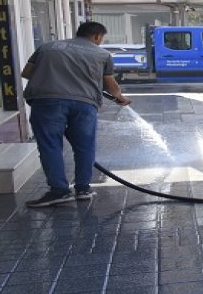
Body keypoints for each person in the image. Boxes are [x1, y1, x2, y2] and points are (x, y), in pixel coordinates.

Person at [22, 21, 132, 208]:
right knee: (84, 146)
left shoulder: (47, 47)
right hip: (85, 104)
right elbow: (111, 85)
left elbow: (27, 73)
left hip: (47, 101)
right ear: (97, 36)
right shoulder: (102, 54)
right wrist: (119, 97)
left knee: (50, 145)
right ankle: (83, 188)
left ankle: (59, 191)